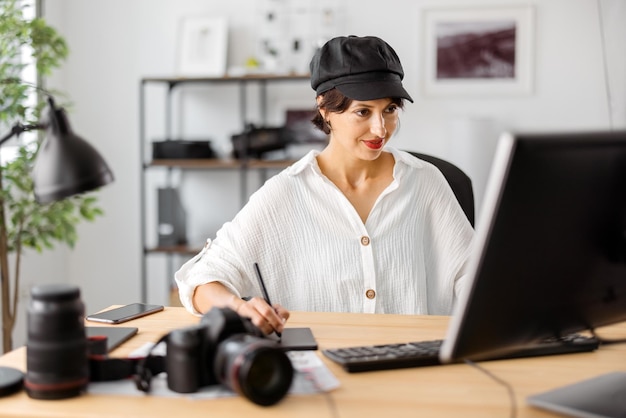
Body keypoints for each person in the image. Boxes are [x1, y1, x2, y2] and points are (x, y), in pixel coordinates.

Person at [175, 35, 474, 335]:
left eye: (390, 110)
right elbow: (201, 278)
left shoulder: (425, 182)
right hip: (322, 369)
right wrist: (241, 308)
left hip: (412, 366)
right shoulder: (287, 192)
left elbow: (475, 277)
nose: (380, 129)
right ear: (325, 109)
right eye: (363, 112)